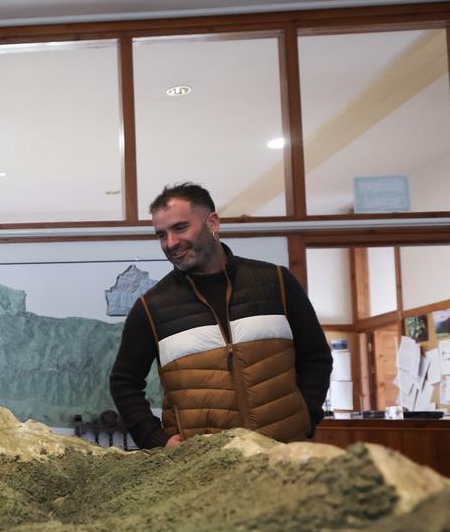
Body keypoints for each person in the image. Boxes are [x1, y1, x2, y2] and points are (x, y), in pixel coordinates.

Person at [109, 182, 332, 449]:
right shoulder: (151, 307)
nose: (171, 243)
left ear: (212, 223)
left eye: (180, 228)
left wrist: (305, 417)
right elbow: (124, 383)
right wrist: (157, 440)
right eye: (161, 235)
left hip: (283, 457)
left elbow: (316, 357)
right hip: (203, 469)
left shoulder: (277, 282)